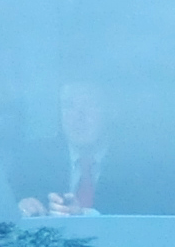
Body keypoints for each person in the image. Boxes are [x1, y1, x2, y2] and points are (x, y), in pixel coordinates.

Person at [16, 78, 126, 217]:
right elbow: (4, 208)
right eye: (68, 106)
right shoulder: (34, 159)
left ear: (111, 111)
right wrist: (21, 208)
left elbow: (142, 217)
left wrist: (84, 216)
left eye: (89, 104)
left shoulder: (136, 164)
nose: (78, 116)